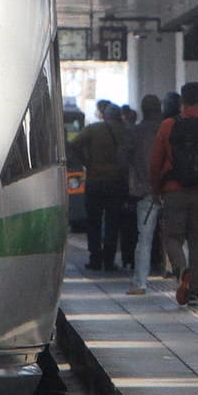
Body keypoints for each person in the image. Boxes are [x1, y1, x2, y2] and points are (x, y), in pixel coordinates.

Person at [149, 81, 198, 307]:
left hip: (173, 191)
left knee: (171, 237)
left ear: (182, 100)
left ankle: (181, 268)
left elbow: (156, 162)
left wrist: (156, 189)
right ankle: (194, 292)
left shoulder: (168, 126)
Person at [70, 102, 129, 272]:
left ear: (105, 116)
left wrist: (85, 162)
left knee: (93, 221)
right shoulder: (124, 131)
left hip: (95, 181)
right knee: (112, 221)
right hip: (116, 182)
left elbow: (74, 145)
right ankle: (109, 261)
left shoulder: (94, 129)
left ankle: (95, 258)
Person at [125, 93, 166, 296]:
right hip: (170, 189)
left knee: (145, 239)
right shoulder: (169, 128)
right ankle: (183, 277)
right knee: (176, 237)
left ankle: (140, 282)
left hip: (145, 191)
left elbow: (123, 157)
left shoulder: (136, 132)